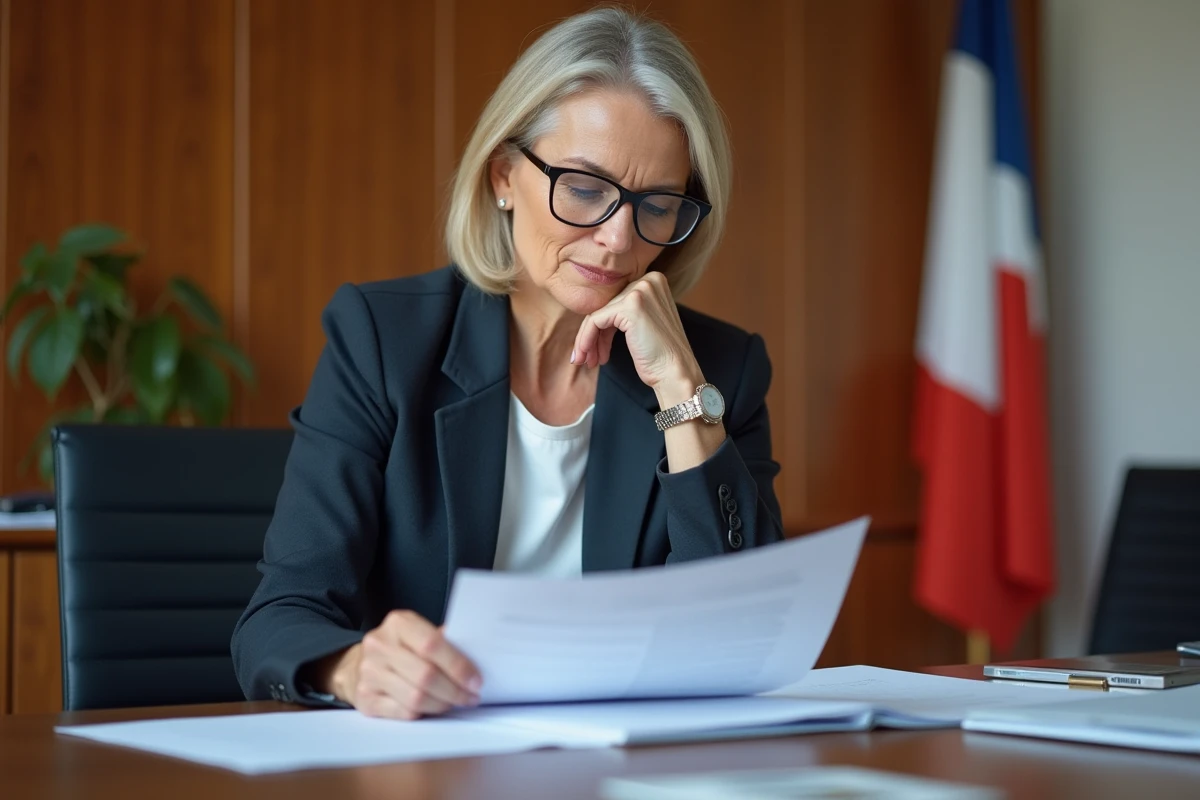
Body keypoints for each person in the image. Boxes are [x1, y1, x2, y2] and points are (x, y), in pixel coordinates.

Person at [232, 6, 783, 721]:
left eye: (656, 204)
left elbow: (737, 632)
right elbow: (279, 618)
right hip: (425, 761)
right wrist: (353, 667)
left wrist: (681, 393)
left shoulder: (719, 371)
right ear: (502, 177)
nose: (617, 239)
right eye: (584, 189)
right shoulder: (384, 342)